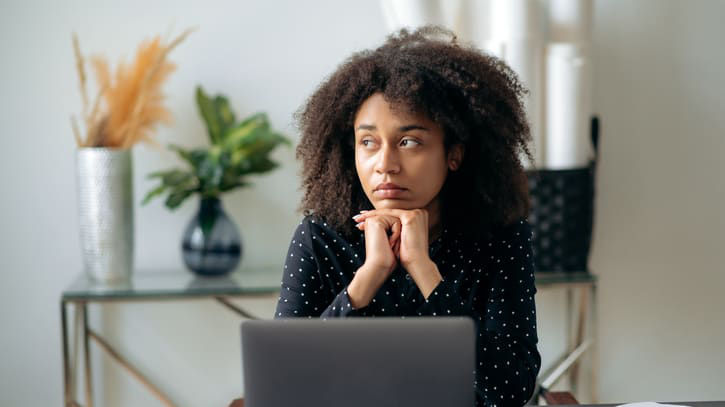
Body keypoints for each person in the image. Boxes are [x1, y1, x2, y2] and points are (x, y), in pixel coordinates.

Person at [274, 26, 541, 407]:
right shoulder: (320, 237)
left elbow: (509, 390)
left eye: (409, 142)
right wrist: (365, 281)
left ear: (454, 154)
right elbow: (284, 386)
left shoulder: (500, 239)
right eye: (368, 142)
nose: (385, 165)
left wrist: (426, 272)